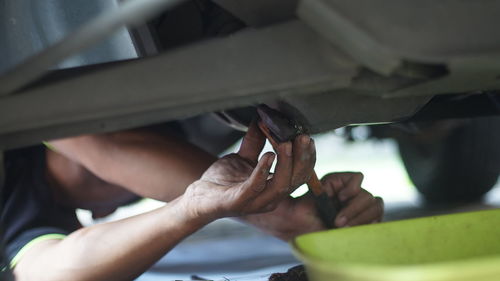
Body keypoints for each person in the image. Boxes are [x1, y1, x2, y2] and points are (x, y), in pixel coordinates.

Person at [1, 122, 383, 281]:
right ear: (104, 213)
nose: (130, 169)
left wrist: (278, 215)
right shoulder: (30, 217)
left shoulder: (34, 123)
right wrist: (189, 208)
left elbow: (105, 148)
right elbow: (48, 273)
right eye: (140, 188)